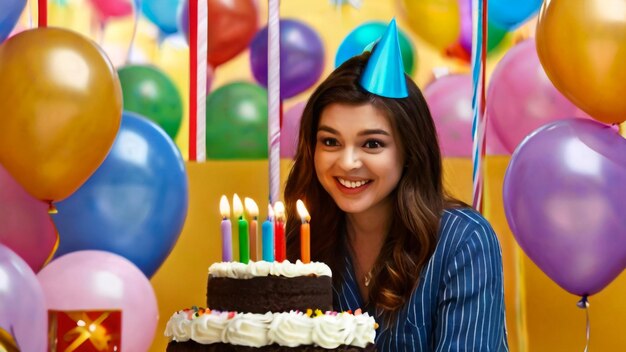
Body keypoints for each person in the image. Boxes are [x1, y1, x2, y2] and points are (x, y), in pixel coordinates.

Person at [284, 19, 509, 351]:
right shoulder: (301, 240)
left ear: (409, 151)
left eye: (372, 144)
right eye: (330, 142)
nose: (347, 162)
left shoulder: (463, 242)